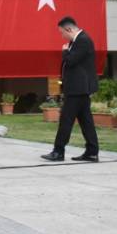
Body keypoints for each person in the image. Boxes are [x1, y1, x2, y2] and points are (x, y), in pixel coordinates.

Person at [42, 16, 99, 163]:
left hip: (77, 89)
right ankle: (92, 152)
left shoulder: (83, 40)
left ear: (69, 29)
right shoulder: (78, 41)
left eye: (62, 33)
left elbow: (71, 61)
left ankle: (58, 151)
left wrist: (65, 51)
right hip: (79, 89)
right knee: (86, 121)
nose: (62, 36)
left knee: (66, 120)